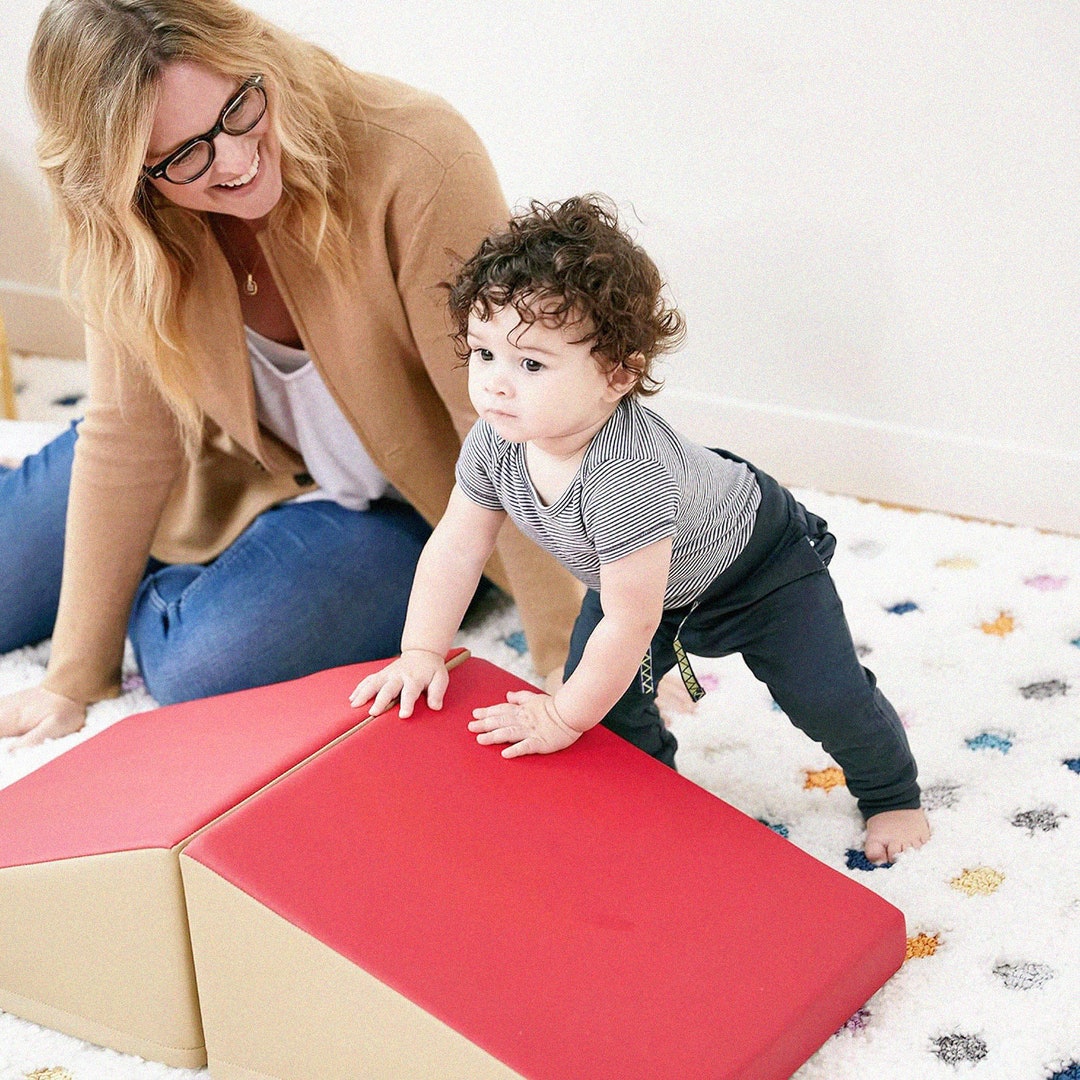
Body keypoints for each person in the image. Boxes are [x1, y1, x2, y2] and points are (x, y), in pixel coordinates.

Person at [0, 0, 583, 750]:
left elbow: (500, 418)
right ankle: (169, 542)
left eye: (239, 107)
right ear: (125, 179)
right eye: (184, 157)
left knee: (197, 666)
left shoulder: (417, 154)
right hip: (221, 463)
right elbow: (129, 432)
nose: (236, 159)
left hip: (402, 504)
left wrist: (567, 653)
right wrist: (74, 677)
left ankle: (178, 562)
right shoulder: (124, 221)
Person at [350, 194, 931, 865]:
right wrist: (422, 649)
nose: (496, 386)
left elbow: (630, 622)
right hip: (638, 580)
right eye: (483, 354)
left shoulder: (627, 477)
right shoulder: (494, 441)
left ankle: (894, 793)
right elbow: (457, 545)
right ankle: (654, 805)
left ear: (617, 376)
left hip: (759, 569)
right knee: (614, 707)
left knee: (823, 696)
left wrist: (563, 714)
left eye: (531, 364)